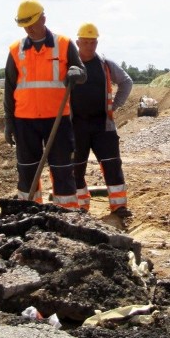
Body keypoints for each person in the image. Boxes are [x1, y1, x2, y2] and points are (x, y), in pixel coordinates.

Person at [4, 0, 86, 209]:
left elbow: (82, 73)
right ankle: (28, 213)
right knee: (27, 170)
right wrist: (9, 123)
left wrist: (77, 73)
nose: (29, 29)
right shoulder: (16, 50)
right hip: (25, 121)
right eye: (25, 25)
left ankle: (66, 213)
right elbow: (10, 89)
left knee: (62, 169)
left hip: (57, 120)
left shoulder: (65, 44)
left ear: (43, 19)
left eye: (32, 23)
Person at [69, 22, 134, 217]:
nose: (89, 46)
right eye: (86, 42)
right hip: (76, 125)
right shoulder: (69, 66)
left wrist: (114, 106)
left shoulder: (105, 64)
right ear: (78, 42)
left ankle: (119, 206)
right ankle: (81, 207)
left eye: (93, 42)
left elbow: (126, 82)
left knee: (112, 164)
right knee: (76, 168)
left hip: (102, 126)